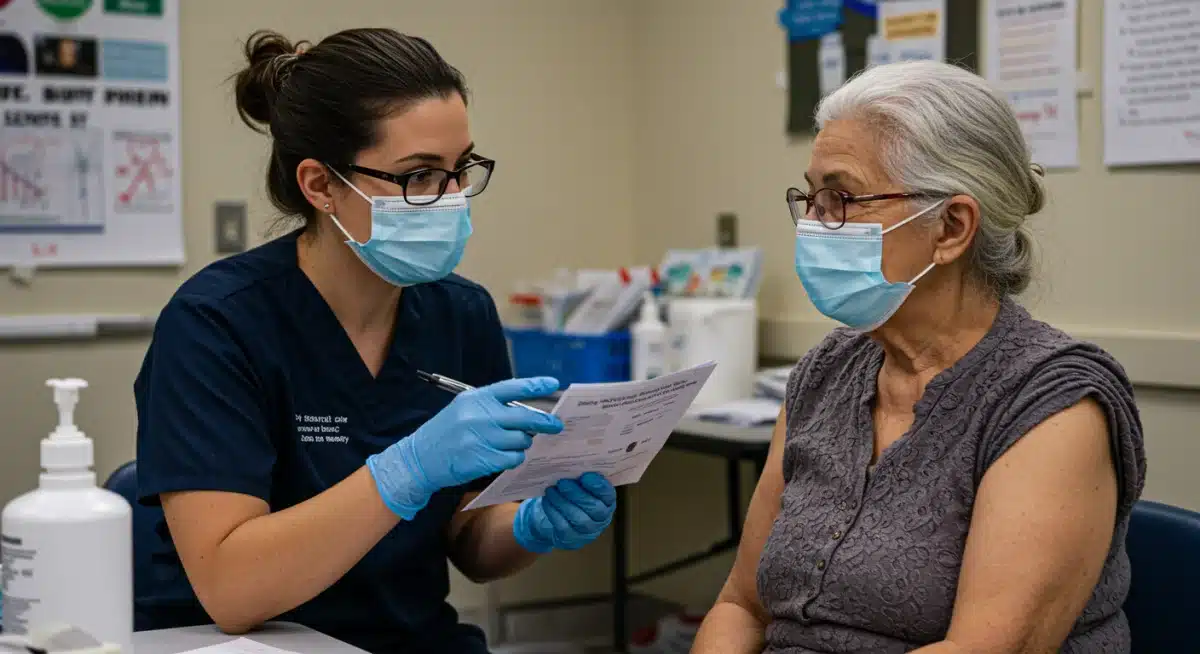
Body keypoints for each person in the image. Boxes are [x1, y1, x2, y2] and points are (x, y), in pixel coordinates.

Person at [133, 29, 617, 654]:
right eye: (419, 176)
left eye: (461, 169)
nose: (451, 198)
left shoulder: (462, 313)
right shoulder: (216, 325)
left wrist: (529, 526)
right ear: (321, 186)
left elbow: (469, 543)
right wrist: (403, 472)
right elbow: (233, 593)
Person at [692, 60, 1145, 653]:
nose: (815, 223)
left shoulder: (1051, 404)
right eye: (811, 197)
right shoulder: (829, 372)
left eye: (842, 197)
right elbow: (741, 606)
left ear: (951, 227)